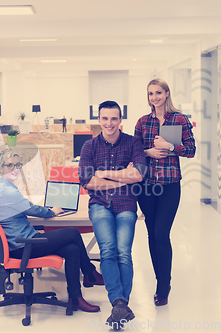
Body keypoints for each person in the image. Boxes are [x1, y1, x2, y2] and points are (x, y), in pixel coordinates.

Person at [0, 148, 104, 313]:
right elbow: (32, 209)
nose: (14, 169)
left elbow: (24, 208)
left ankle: (75, 298)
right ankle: (90, 272)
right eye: (9, 165)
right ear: (0, 168)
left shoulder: (2, 188)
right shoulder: (8, 192)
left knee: (72, 250)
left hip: (22, 242)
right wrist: (52, 211)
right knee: (73, 233)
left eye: (17, 165)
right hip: (24, 246)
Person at [79, 101, 147, 327]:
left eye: (114, 119)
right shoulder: (89, 146)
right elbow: (87, 182)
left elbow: (138, 175)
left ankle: (120, 305)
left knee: (123, 252)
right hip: (100, 205)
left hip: (127, 204)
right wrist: (122, 175)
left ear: (120, 120)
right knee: (108, 251)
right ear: (99, 120)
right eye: (105, 118)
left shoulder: (133, 142)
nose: (109, 123)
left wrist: (105, 175)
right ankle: (119, 303)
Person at [134, 78, 196, 306]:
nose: (154, 97)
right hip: (146, 186)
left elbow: (191, 150)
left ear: (167, 94)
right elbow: (135, 151)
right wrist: (149, 152)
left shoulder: (179, 119)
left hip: (169, 185)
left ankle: (163, 285)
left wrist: (169, 146)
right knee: (152, 235)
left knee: (161, 234)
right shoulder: (142, 122)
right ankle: (161, 281)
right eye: (150, 94)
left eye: (158, 92)